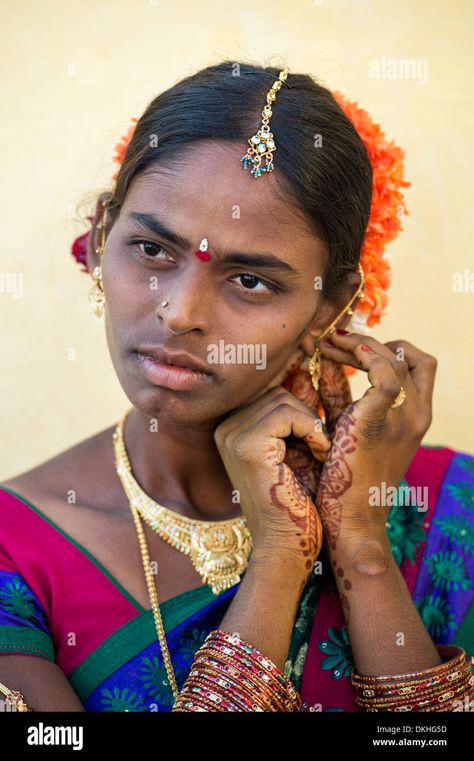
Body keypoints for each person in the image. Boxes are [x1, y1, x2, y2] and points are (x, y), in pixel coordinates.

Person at [0, 61, 472, 713]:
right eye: (151, 249)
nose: (179, 312)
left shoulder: (449, 511)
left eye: (250, 280)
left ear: (327, 310)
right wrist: (280, 557)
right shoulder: (14, 549)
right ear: (104, 231)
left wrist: (361, 543)